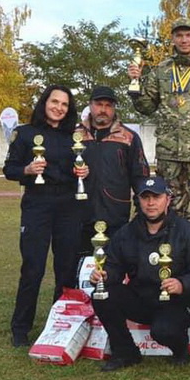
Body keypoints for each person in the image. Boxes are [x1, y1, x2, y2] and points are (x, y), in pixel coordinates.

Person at [89, 176, 190, 371]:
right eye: (145, 197)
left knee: (164, 331)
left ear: (168, 199)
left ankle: (181, 350)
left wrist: (182, 284)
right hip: (141, 298)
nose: (150, 203)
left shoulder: (188, 232)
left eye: (156, 197)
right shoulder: (125, 233)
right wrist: (104, 275)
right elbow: (113, 265)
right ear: (138, 201)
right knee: (102, 294)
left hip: (176, 302)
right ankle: (125, 352)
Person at [127, 17, 190, 246]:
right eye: (179, 35)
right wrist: (136, 83)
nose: (184, 40)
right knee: (169, 207)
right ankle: (168, 254)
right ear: (173, 39)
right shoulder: (161, 70)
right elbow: (146, 107)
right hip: (168, 154)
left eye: (188, 35)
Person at [3, 85, 82, 348]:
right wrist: (27, 168)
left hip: (69, 205)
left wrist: (82, 171)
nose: (59, 107)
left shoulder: (75, 136)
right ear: (44, 102)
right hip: (37, 204)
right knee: (33, 267)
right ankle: (20, 328)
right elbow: (9, 169)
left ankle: (59, 324)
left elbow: (79, 167)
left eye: (64, 104)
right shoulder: (24, 134)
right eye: (54, 101)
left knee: (66, 267)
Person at [75, 85, 149, 256]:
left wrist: (141, 211)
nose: (103, 110)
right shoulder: (74, 135)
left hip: (115, 216)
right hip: (79, 215)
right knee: (77, 267)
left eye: (108, 105)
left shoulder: (129, 137)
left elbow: (140, 177)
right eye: (99, 104)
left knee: (115, 267)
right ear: (90, 105)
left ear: (114, 108)